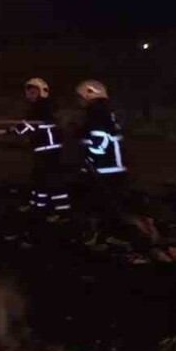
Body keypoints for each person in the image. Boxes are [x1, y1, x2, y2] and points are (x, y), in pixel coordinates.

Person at [73, 79, 127, 242]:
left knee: (98, 203)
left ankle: (99, 236)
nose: (78, 101)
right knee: (109, 203)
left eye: (80, 97)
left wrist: (86, 152)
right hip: (114, 166)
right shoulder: (106, 112)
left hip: (103, 167)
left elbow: (99, 141)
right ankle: (108, 234)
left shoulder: (95, 113)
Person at [9, 77, 70, 216]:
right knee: (41, 178)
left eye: (33, 91)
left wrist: (15, 130)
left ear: (42, 92)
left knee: (51, 179)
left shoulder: (41, 106)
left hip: (48, 149)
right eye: (29, 91)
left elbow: (31, 124)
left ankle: (61, 211)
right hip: (45, 148)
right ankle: (40, 207)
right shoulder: (42, 106)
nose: (30, 93)